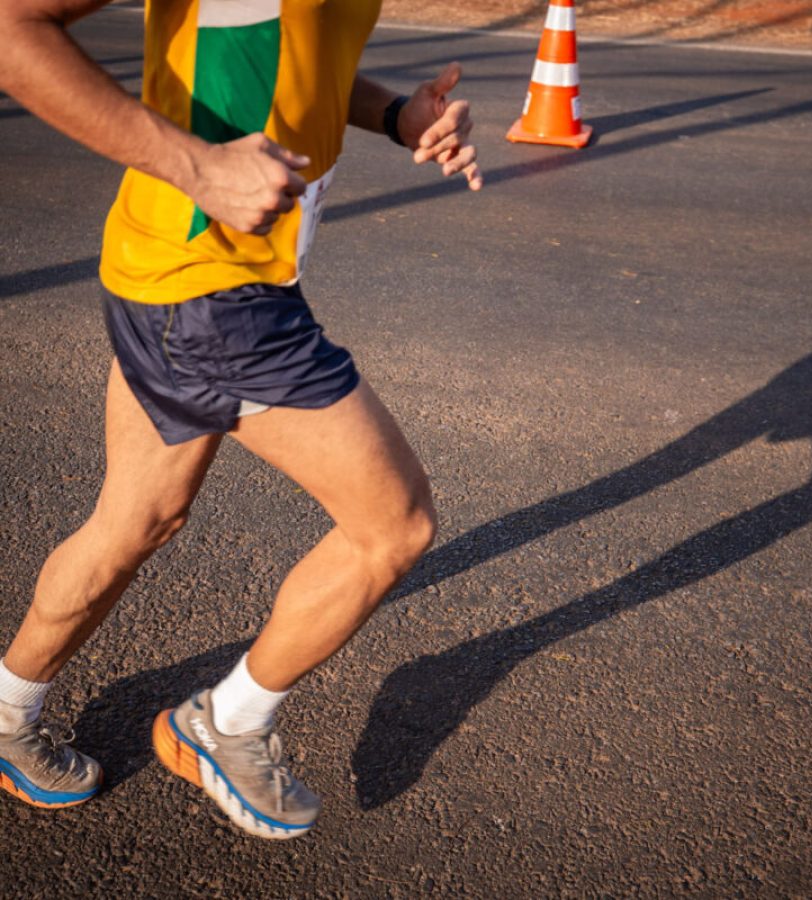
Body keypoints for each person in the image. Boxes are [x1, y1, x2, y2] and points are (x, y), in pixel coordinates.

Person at [0, 0, 482, 839]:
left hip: (179, 273)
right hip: (212, 295)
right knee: (393, 526)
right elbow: (13, 29)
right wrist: (196, 165)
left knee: (135, 521)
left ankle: (6, 713)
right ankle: (225, 724)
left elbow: (296, 53)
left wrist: (396, 114)